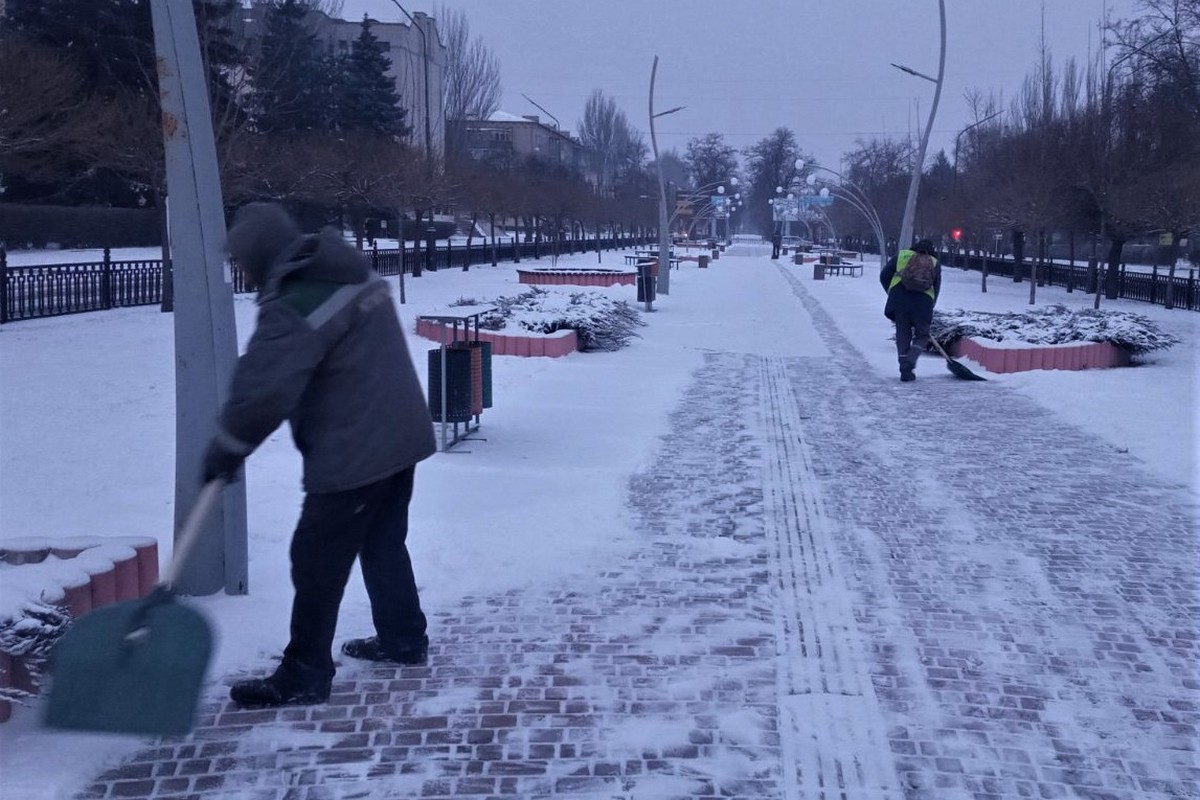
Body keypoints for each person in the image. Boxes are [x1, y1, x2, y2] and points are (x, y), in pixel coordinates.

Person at [204, 202, 437, 708]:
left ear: (259, 256)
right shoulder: (346, 271)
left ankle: (305, 672)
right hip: (400, 436)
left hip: (356, 448)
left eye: (241, 261)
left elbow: (264, 386)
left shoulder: (301, 297)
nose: (240, 271)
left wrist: (227, 446)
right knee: (381, 541)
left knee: (315, 559)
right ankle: (403, 638)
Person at [880, 239, 942, 382]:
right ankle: (910, 361)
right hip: (923, 303)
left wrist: (891, 292)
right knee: (922, 336)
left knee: (903, 334)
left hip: (900, 300)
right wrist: (930, 305)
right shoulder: (934, 262)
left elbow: (884, 275)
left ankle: (904, 368)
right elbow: (936, 287)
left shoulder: (902, 255)